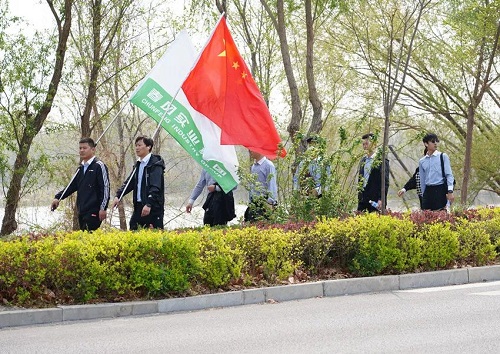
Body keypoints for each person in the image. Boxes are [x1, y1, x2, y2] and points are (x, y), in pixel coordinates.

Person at [51, 137, 110, 231]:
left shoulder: (99, 166)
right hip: (82, 210)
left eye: (84, 148)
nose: (82, 150)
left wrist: (103, 208)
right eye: (80, 148)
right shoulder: (80, 169)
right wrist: (58, 197)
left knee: (89, 236)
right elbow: (72, 186)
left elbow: (105, 188)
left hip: (94, 210)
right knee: (83, 238)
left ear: (93, 149)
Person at [113, 136, 165, 230]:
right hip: (138, 207)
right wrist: (118, 195)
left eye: (140, 145)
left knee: (154, 237)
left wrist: (149, 204)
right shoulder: (138, 164)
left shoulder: (155, 164)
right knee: (133, 229)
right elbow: (129, 183)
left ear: (148, 147)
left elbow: (156, 187)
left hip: (152, 208)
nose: (137, 148)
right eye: (136, 145)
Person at [418, 133, 455, 211]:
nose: (435, 143)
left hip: (440, 189)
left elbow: (449, 175)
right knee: (426, 216)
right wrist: (424, 194)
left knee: (440, 215)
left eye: (436, 141)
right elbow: (422, 180)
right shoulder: (422, 161)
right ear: (426, 144)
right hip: (428, 191)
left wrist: (450, 191)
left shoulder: (443, 156)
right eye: (432, 141)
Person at [357, 133, 390, 212]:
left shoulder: (381, 160)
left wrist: (381, 199)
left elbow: (385, 182)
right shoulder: (363, 161)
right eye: (363, 144)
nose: (365, 146)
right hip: (363, 198)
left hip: (375, 198)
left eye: (367, 144)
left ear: (374, 144)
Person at [244, 150, 278, 222]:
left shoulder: (268, 165)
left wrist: (270, 202)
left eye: (252, 149)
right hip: (254, 202)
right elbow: (252, 185)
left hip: (264, 202)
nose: (250, 151)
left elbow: (271, 184)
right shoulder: (253, 166)